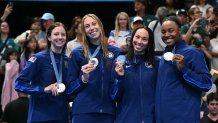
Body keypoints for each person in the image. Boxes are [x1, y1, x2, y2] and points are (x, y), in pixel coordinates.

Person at [155, 16, 212, 123]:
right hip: (163, 117)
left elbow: (206, 84)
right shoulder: (164, 56)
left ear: (180, 30)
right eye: (163, 32)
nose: (166, 35)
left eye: (171, 30)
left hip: (184, 117)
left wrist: (183, 69)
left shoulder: (192, 53)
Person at [67, 14, 122, 123]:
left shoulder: (115, 52)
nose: (91, 28)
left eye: (94, 24)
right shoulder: (77, 54)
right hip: (83, 111)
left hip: (107, 112)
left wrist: (120, 77)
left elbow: (118, 84)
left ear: (100, 26)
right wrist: (83, 79)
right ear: (83, 31)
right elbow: (69, 90)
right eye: (87, 26)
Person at [15, 22, 69, 123]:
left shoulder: (67, 61)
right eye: (56, 34)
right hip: (40, 116)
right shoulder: (38, 58)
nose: (60, 37)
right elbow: (19, 84)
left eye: (63, 34)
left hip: (62, 117)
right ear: (49, 37)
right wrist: (43, 89)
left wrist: (84, 78)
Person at [111, 26, 158, 123]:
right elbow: (114, 96)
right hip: (126, 119)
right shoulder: (120, 62)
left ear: (149, 42)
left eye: (144, 39)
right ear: (132, 38)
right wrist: (120, 78)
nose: (139, 41)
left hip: (150, 119)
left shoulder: (156, 63)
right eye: (137, 37)